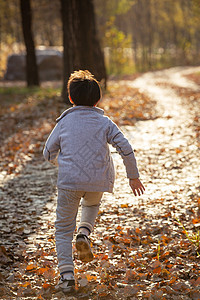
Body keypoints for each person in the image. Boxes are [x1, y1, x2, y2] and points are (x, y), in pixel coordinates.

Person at [43, 70, 145, 293]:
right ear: (98, 99)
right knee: (91, 204)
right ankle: (84, 233)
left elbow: (48, 152)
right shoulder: (104, 122)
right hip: (97, 180)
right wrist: (133, 176)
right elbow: (126, 148)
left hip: (70, 182)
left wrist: (64, 164)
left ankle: (68, 277)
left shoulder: (64, 122)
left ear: (70, 98)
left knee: (62, 229)